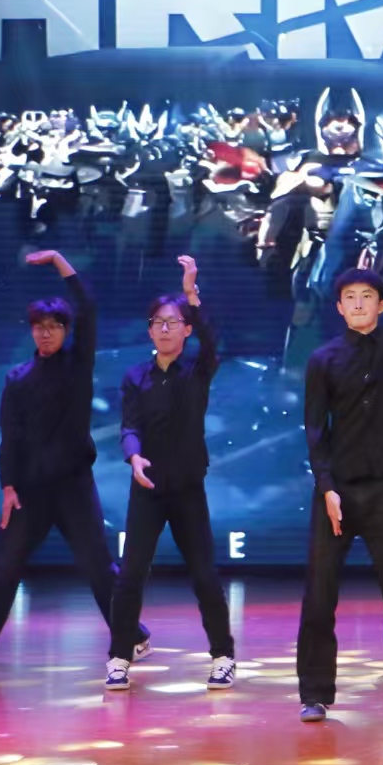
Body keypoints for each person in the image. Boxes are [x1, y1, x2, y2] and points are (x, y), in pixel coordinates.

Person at [0, 250, 149, 665]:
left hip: (74, 485)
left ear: (65, 330)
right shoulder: (17, 378)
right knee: (5, 565)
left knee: (98, 565)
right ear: (31, 331)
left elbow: (89, 307)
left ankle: (131, 635)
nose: (46, 334)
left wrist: (60, 261)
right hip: (29, 489)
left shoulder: (77, 365)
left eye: (54, 327)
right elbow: (9, 438)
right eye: (39, 327)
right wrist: (8, 485)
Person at [297, 188, 383, 722]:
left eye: (367, 296)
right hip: (335, 492)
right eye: (349, 297)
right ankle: (314, 694)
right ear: (339, 306)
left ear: (380, 304)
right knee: (319, 598)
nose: (358, 303)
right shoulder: (323, 359)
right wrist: (327, 487)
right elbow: (315, 429)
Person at [105, 257, 236, 692]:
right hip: (146, 488)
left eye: (173, 322)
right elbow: (129, 426)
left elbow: (213, 339)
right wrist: (134, 457)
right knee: (130, 575)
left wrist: (191, 292)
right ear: (149, 331)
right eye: (157, 323)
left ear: (186, 330)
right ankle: (119, 657)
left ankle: (223, 656)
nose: (164, 329)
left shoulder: (198, 370)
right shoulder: (135, 377)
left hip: (187, 488)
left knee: (204, 575)